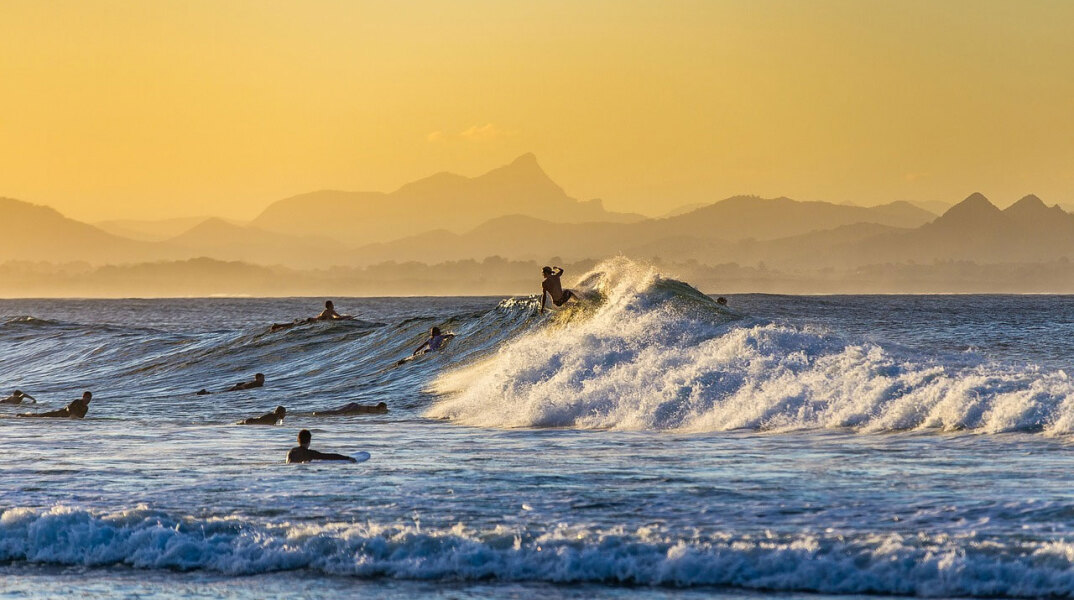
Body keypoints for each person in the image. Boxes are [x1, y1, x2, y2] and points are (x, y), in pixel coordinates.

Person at [287, 429, 357, 463]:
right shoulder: (310, 453)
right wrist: (347, 458)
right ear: (309, 441)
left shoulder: (291, 452)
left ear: (298, 440)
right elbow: (329, 456)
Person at [19, 391, 92, 418]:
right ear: (83, 397)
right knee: (41, 416)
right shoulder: (77, 401)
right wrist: (71, 414)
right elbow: (68, 407)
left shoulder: (86, 408)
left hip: (63, 418)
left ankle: (27, 415)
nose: (88, 400)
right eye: (87, 398)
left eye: (89, 398)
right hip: (59, 413)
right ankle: (25, 415)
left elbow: (81, 417)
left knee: (42, 416)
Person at [313, 401, 388, 417]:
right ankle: (318, 413)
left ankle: (318, 413)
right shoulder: (376, 410)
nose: (386, 409)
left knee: (337, 412)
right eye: (385, 407)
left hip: (354, 405)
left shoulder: (375, 408)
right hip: (355, 407)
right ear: (381, 407)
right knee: (337, 413)